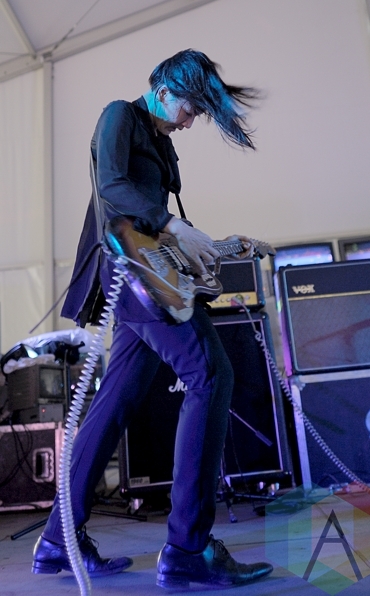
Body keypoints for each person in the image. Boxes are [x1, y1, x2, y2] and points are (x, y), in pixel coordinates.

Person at [31, 49, 273, 589]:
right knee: (210, 375)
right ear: (164, 89)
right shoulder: (119, 115)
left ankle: (57, 539)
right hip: (128, 278)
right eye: (190, 108)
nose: (191, 120)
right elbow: (113, 188)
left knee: (115, 400)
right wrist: (172, 224)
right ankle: (188, 548)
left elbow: (152, 229)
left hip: (143, 278)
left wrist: (210, 245)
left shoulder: (161, 140)